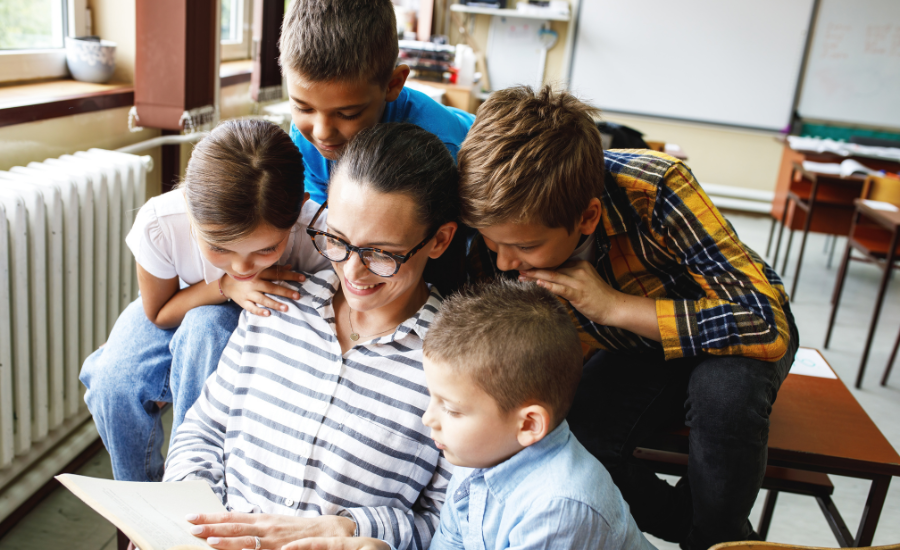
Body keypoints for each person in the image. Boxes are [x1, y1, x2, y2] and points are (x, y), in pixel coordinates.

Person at [457, 86, 800, 550]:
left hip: (729, 332)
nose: (503, 264)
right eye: (493, 244)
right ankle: (715, 536)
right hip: (636, 349)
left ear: (588, 216)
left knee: (725, 396)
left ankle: (713, 538)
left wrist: (612, 306)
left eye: (525, 247)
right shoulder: (495, 229)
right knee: (575, 430)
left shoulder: (656, 187)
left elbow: (764, 324)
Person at [163, 123, 463, 550]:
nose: (352, 273)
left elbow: (449, 523)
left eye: (380, 253)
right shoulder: (277, 303)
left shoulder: (461, 364)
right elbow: (205, 429)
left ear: (439, 240)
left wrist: (354, 531)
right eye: (336, 240)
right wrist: (187, 518)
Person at [80, 119, 331, 482]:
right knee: (111, 380)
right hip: (178, 301)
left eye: (266, 249)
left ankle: (191, 485)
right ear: (188, 206)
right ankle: (137, 498)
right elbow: (159, 313)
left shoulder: (317, 235)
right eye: (219, 248)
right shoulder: (160, 223)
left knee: (207, 330)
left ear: (300, 209)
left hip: (254, 321)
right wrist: (226, 286)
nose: (243, 266)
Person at [423, 279, 655, 550]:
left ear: (529, 424)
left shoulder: (558, 509)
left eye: (451, 409)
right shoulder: (478, 457)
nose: (428, 418)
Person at [278, 0, 474, 205]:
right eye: (303, 108)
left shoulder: (440, 152)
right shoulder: (306, 139)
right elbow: (321, 221)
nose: (322, 133)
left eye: (348, 114)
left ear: (393, 84)